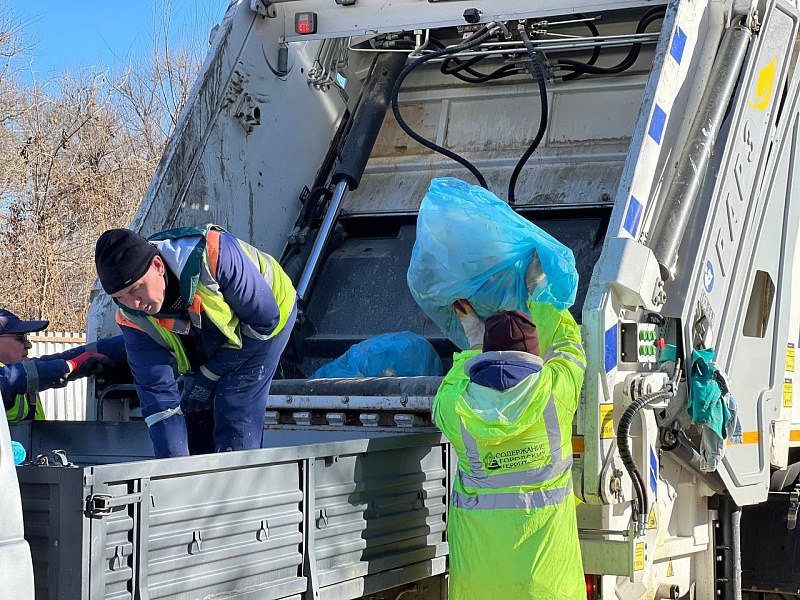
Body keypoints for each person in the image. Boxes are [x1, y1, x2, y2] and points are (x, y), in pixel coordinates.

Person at [94, 223, 297, 458]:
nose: (134, 303)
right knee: (192, 412)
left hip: (266, 317)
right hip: (211, 331)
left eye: (136, 289)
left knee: (234, 399)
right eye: (120, 297)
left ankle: (238, 486)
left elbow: (264, 321)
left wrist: (209, 375)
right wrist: (175, 472)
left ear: (158, 266)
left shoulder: (214, 253)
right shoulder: (131, 318)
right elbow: (158, 398)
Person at [432, 295, 586, 600]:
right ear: (534, 354)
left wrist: (474, 345)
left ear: (486, 354)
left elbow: (444, 394)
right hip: (549, 587)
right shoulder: (555, 395)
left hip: (480, 587)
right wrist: (540, 292)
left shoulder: (459, 408)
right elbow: (570, 346)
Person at [0, 309, 124, 423]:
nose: (28, 344)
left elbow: (56, 361)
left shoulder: (24, 370)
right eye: (21, 338)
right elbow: (11, 380)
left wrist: (129, 343)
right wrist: (70, 366)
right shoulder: (9, 378)